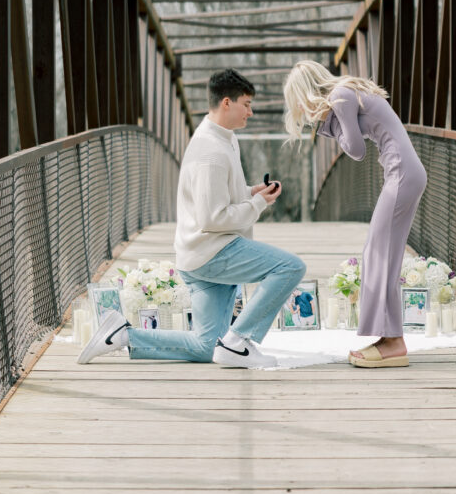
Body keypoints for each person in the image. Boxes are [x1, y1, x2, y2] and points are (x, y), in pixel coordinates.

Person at [79, 69, 306, 369]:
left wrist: (252, 192)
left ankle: (123, 335)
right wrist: (257, 204)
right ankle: (239, 340)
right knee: (290, 267)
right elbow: (212, 219)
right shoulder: (210, 151)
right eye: (247, 104)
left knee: (206, 347)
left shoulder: (224, 138)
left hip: (199, 255)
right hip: (214, 252)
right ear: (227, 103)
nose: (250, 112)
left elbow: (220, 196)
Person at [283, 60, 427, 368]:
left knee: (378, 252)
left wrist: (328, 122)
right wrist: (330, 123)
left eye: (298, 101)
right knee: (382, 253)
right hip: (403, 173)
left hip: (401, 174)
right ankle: (389, 337)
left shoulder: (341, 96)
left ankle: (393, 341)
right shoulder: (345, 94)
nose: (302, 110)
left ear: (306, 92)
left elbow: (356, 150)